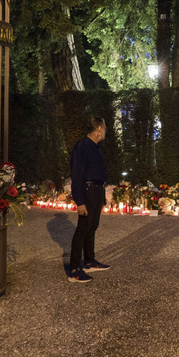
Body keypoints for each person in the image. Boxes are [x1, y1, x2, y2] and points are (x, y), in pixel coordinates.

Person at [68, 116, 111, 283]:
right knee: (83, 228)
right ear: (99, 129)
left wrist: (103, 194)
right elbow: (77, 175)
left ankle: (89, 261)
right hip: (87, 191)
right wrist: (79, 201)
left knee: (92, 226)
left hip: (96, 191)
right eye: (105, 128)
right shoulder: (82, 147)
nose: (105, 131)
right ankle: (74, 270)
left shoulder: (95, 147)